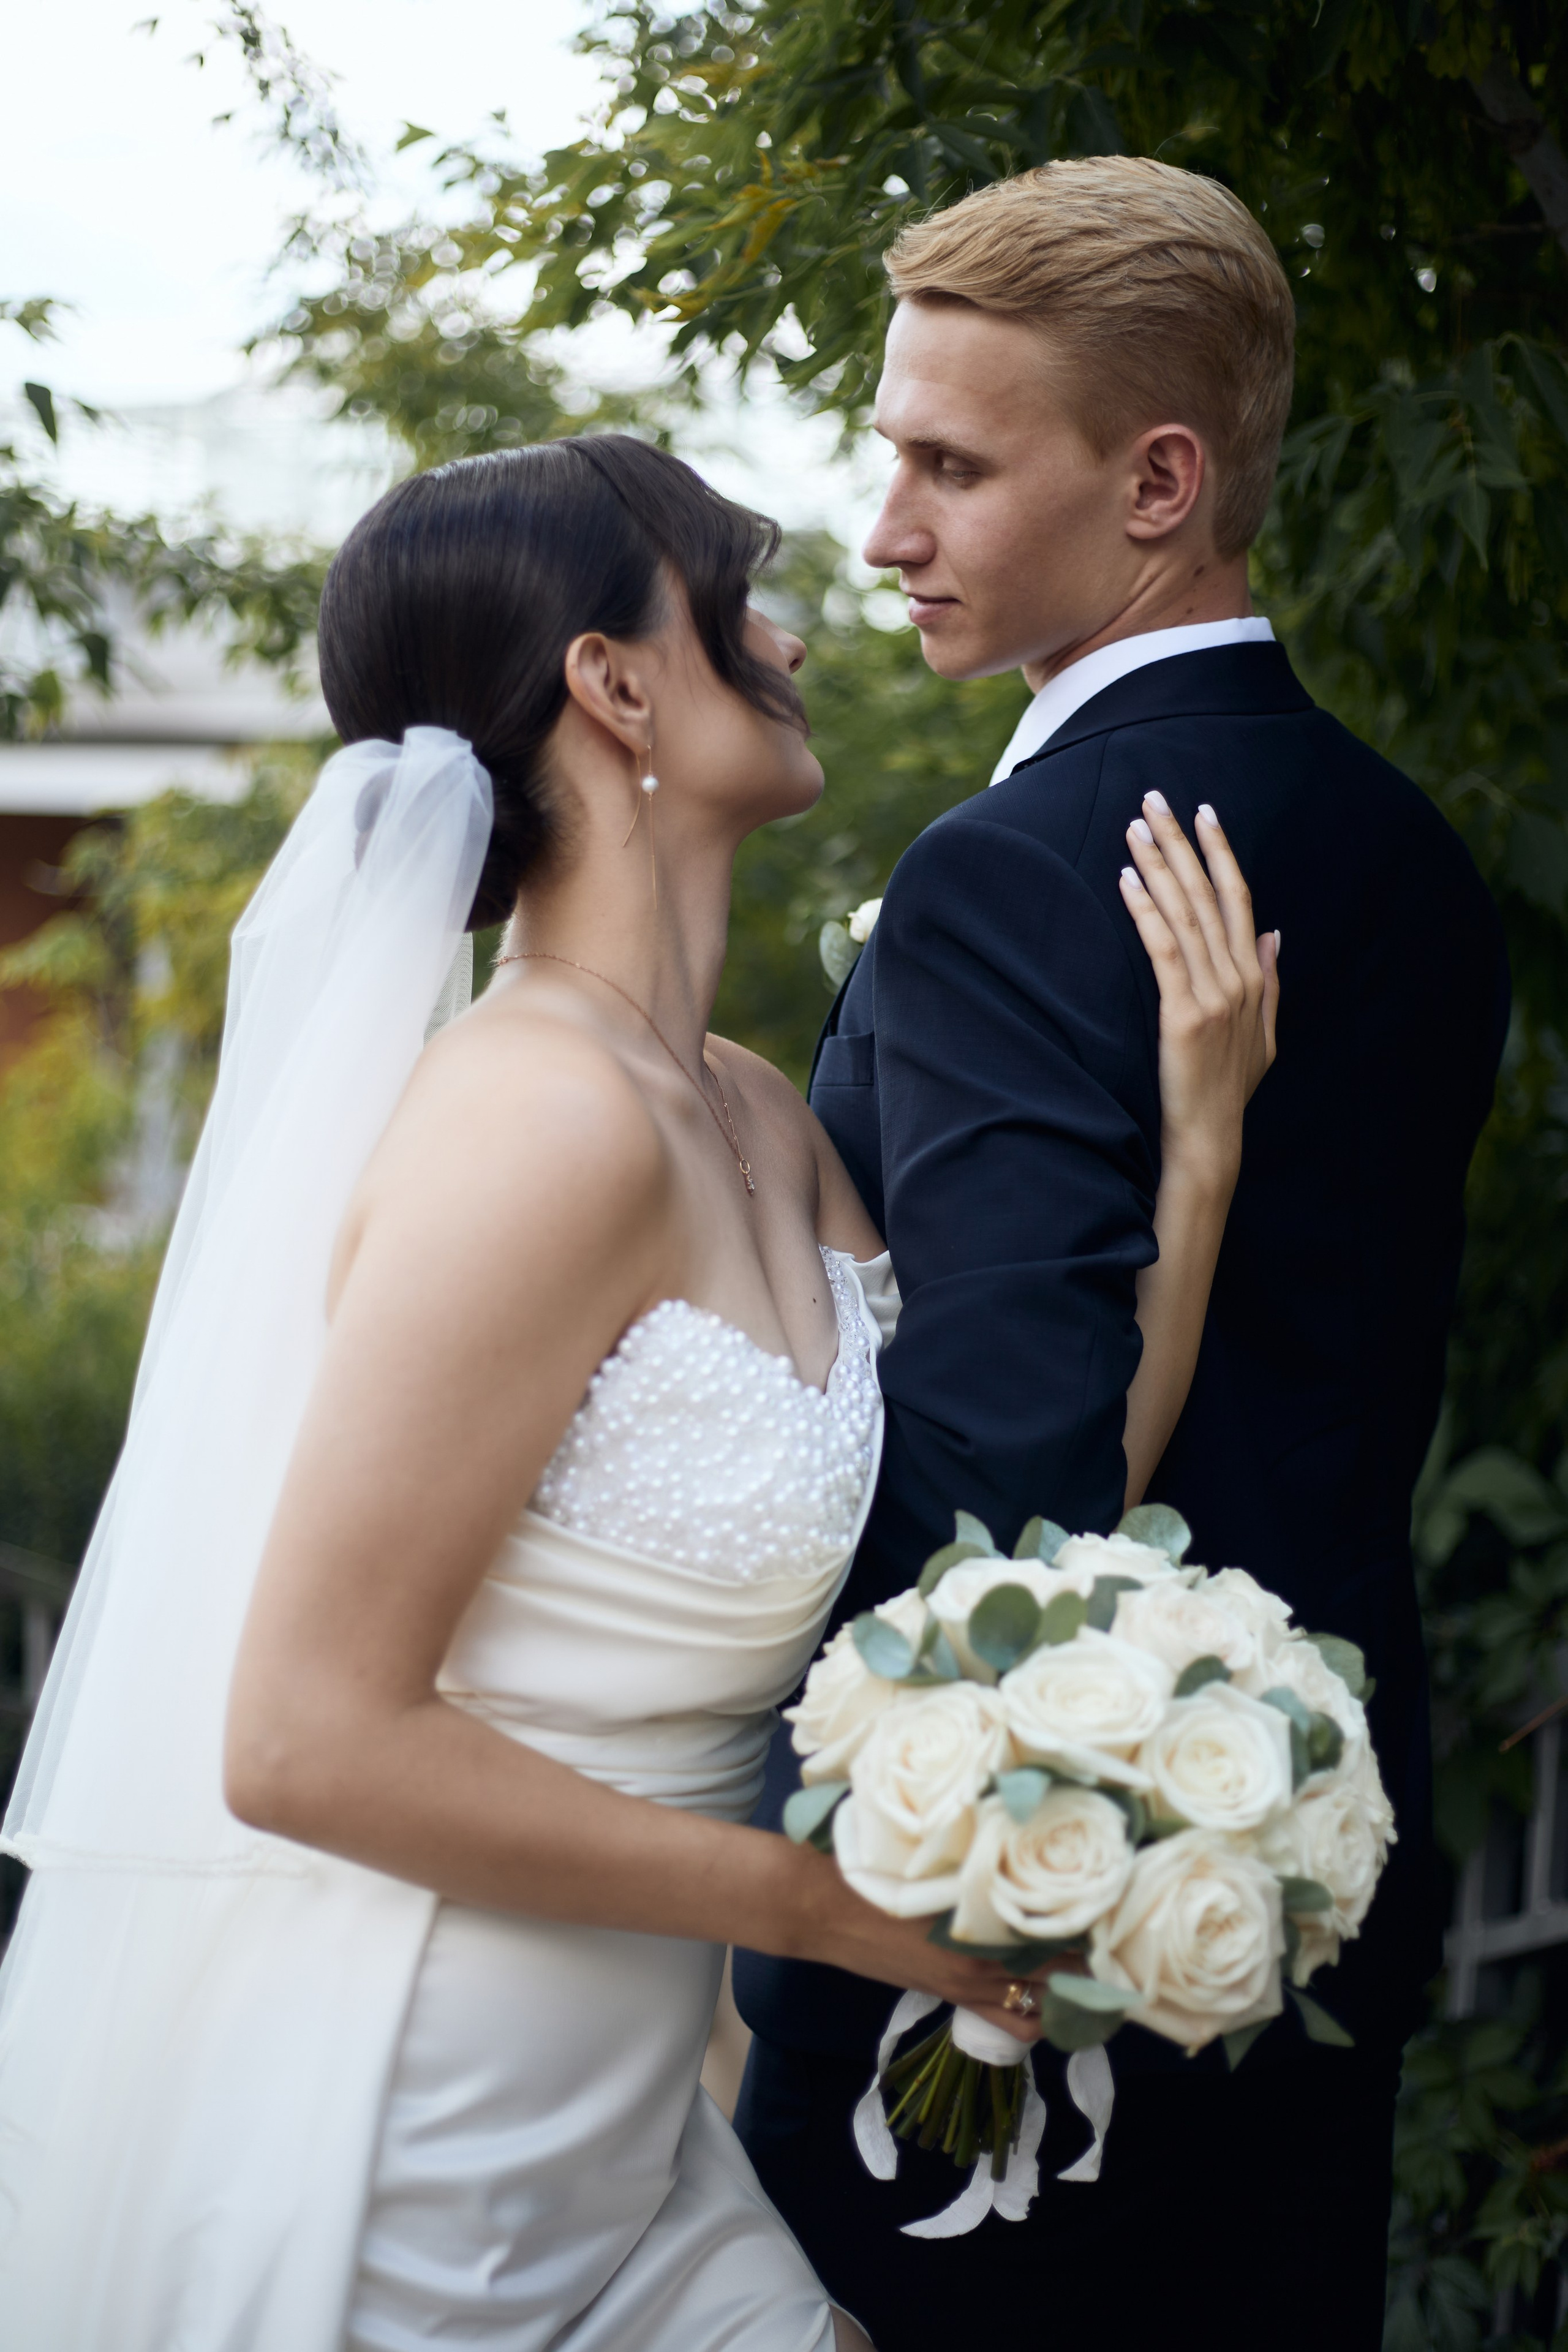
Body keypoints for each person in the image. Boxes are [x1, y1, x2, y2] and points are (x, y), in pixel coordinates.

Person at [0, 431, 1272, 2351]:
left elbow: (1027, 1521)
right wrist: (833, 1910)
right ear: (613, 683)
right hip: (402, 2145)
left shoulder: (755, 1109)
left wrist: (1197, 1156)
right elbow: (304, 1743)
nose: (793, 619)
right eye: (735, 582)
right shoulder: (532, 1125)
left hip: (624, 2153)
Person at [732, 157, 1510, 2350]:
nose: (889, 531)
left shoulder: (1016, 872)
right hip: (1311, 1880)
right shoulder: (1406, 854)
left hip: (1011, 1948)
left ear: (1161, 477)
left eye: (950, 466)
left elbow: (1002, 1487)